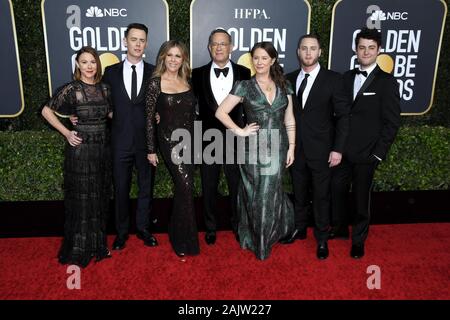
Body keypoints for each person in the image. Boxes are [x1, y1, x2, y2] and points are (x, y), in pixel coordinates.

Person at [215, 41, 295, 260]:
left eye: (264, 58)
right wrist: (240, 131)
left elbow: (289, 119)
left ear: (273, 60)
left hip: (278, 147)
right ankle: (256, 238)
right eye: (256, 58)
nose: (259, 62)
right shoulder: (244, 86)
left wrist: (293, 147)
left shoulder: (285, 86)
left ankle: (266, 238)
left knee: (270, 192)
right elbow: (221, 113)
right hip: (253, 148)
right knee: (255, 193)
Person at [331, 28, 401, 258]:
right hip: (342, 152)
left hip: (367, 154)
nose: (366, 52)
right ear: (355, 49)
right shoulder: (345, 78)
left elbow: (391, 122)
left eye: (371, 48)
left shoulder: (387, 82)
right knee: (337, 192)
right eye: (362, 47)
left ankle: (359, 240)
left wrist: (378, 154)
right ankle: (340, 230)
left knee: (362, 200)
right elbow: (339, 114)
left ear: (379, 50)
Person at [41, 46, 112, 268]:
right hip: (81, 151)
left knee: (98, 197)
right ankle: (79, 247)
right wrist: (66, 132)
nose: (89, 66)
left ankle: (96, 244)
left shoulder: (105, 89)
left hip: (101, 150)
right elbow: (46, 110)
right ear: (78, 65)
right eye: (84, 62)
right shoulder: (72, 89)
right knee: (81, 199)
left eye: (92, 62)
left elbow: (111, 114)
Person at [281, 34, 350, 260]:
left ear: (320, 52)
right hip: (295, 149)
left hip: (322, 150)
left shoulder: (334, 79)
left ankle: (321, 238)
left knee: (321, 196)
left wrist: (338, 149)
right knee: (299, 193)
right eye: (304, 48)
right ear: (298, 52)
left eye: (313, 48)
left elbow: (343, 117)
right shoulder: (288, 78)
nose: (308, 53)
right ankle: (300, 229)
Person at [192, 28, 251, 245]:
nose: (219, 47)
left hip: (236, 139)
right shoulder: (196, 74)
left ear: (231, 47)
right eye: (215, 44)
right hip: (207, 140)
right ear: (209, 47)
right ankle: (210, 227)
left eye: (223, 43)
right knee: (209, 186)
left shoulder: (245, 73)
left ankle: (237, 225)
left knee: (236, 186)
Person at [103, 23, 158, 250]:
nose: (137, 44)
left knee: (146, 188)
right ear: (125, 41)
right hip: (120, 142)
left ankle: (144, 229)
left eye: (142, 40)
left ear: (146, 43)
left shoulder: (154, 71)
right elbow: (103, 103)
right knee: (121, 189)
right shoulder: (110, 72)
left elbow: (162, 103)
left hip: (146, 143)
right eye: (133, 39)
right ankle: (122, 232)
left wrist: (160, 116)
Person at [146, 40, 200, 258]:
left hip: (190, 140)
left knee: (185, 188)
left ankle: (177, 231)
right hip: (169, 141)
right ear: (162, 57)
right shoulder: (155, 83)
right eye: (170, 55)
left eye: (178, 56)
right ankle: (182, 239)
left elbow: (192, 114)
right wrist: (151, 149)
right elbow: (149, 118)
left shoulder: (186, 81)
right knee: (185, 185)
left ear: (183, 59)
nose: (174, 60)